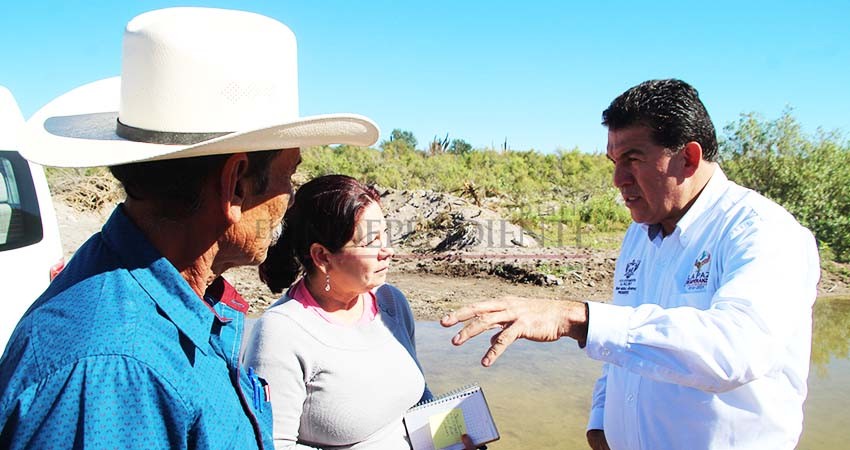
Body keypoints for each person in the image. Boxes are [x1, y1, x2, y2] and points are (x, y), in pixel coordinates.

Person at [0, 7, 378, 448]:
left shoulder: (175, 308)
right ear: (235, 185)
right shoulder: (112, 375)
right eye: (287, 176)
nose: (289, 199)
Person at [440, 79, 820, 450]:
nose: (618, 179)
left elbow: (737, 348)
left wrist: (576, 318)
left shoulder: (762, 231)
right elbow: (626, 344)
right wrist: (601, 420)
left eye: (633, 159)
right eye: (614, 161)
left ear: (688, 157)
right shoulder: (640, 233)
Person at [244, 174, 434, 449]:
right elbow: (272, 445)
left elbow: (419, 397)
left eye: (385, 234)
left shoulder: (392, 303)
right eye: (371, 242)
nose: (388, 250)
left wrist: (452, 434)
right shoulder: (281, 333)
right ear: (322, 256)